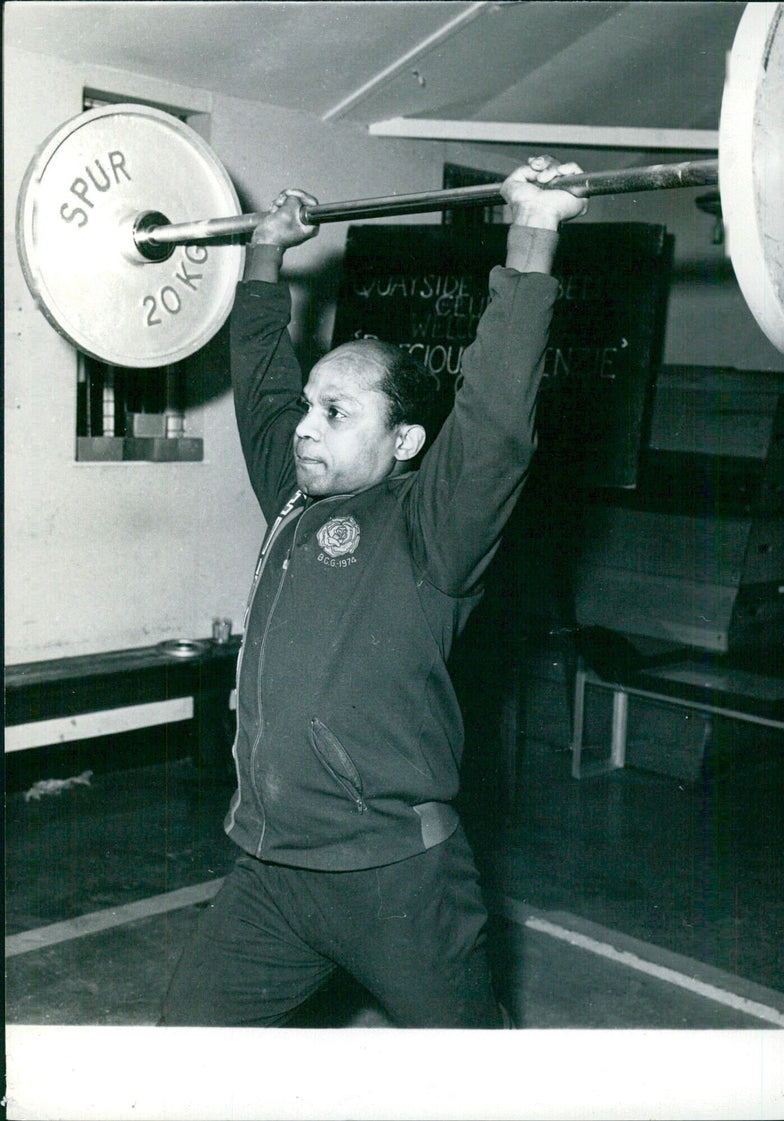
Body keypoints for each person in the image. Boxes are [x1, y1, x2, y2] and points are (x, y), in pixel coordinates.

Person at [162, 155, 587, 1028]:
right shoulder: (296, 490)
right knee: (179, 1060)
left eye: (338, 414)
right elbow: (263, 383)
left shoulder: (435, 527)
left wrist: (533, 235)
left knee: (471, 1086)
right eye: (314, 406)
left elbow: (497, 413)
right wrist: (265, 257)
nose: (307, 429)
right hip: (272, 874)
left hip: (396, 882)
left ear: (403, 441)